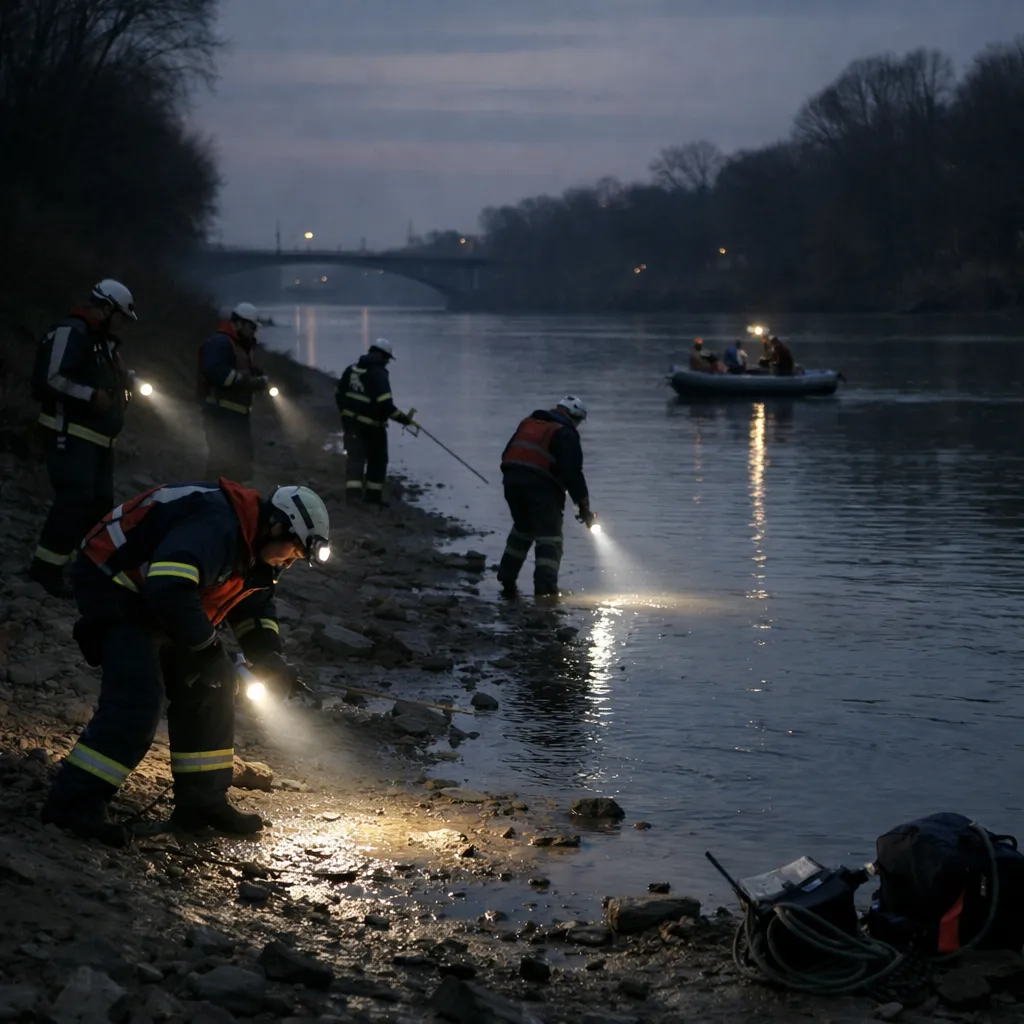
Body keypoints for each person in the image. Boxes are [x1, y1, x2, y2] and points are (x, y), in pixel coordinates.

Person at [40, 479, 331, 847]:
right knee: (139, 697)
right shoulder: (217, 525)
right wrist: (206, 649)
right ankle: (72, 805)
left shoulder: (253, 547)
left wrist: (268, 656)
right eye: (293, 551)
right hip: (116, 586)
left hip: (161, 596)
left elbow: (253, 606)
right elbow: (169, 585)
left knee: (214, 682)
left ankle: (202, 803)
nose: (290, 562)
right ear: (276, 526)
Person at [29, 279, 137, 598]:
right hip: (69, 434)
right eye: (121, 317)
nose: (122, 325)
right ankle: (45, 571)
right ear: (107, 309)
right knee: (74, 500)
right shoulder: (71, 331)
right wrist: (90, 395)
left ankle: (87, 570)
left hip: (99, 441)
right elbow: (50, 378)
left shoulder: (103, 343)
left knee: (99, 506)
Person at [497, 395, 594, 598]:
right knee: (550, 538)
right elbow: (573, 473)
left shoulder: (528, 423)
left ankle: (506, 579)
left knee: (523, 529)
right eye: (578, 421)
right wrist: (584, 507)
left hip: (511, 483)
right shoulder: (565, 433)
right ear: (573, 416)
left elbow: (507, 453)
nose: (577, 425)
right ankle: (546, 591)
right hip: (541, 488)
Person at [335, 338, 413, 505]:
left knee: (355, 459)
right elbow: (385, 405)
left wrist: (346, 415)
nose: (387, 363)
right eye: (387, 359)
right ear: (383, 356)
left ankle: (353, 496)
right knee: (377, 461)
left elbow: (339, 394)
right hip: (373, 429)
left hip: (351, 426)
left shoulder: (352, 370)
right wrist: (404, 419)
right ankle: (373, 498)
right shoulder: (379, 374)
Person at [198, 303, 269, 483]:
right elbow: (216, 373)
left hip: (235, 415)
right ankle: (212, 495)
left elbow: (235, 369)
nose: (253, 332)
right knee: (222, 462)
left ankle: (231, 497)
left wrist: (254, 374)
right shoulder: (220, 342)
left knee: (239, 463)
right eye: (251, 327)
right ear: (239, 323)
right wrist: (248, 381)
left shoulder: (238, 345)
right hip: (221, 415)